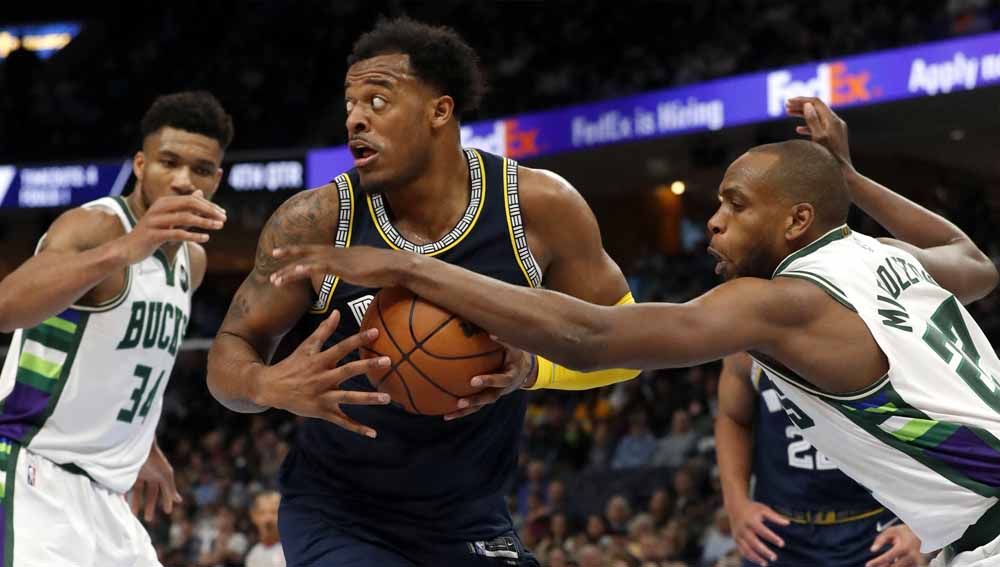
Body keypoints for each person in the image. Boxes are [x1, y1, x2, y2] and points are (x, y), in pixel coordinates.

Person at [272, 97, 1000, 566]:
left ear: (796, 222)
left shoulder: (784, 302)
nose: (713, 220)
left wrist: (414, 269)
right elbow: (975, 260)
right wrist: (847, 175)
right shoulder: (885, 257)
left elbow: (593, 336)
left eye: (736, 205)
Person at [206, 18, 639, 567]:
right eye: (349, 103)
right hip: (338, 512)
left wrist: (532, 370)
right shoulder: (315, 220)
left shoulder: (537, 209)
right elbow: (230, 349)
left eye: (378, 100)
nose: (355, 118)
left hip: (471, 515)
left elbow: (625, 358)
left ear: (440, 110)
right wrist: (264, 381)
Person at [0, 91, 231, 565]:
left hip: (107, 496)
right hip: (33, 472)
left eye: (202, 170)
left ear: (217, 179)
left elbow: (126, 357)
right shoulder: (95, 228)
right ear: (141, 165)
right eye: (169, 162)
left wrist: (142, 440)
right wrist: (128, 247)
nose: (185, 181)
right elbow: (5, 308)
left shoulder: (194, 260)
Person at [717, 352, 923, 567]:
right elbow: (732, 417)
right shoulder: (748, 348)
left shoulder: (882, 339)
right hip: (776, 530)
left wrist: (922, 525)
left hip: (877, 526)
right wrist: (736, 503)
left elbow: (945, 420)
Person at [246, 491, 286, 567]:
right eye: (262, 513)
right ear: (254, 517)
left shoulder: (293, 551)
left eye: (274, 512)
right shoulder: (253, 554)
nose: (268, 519)